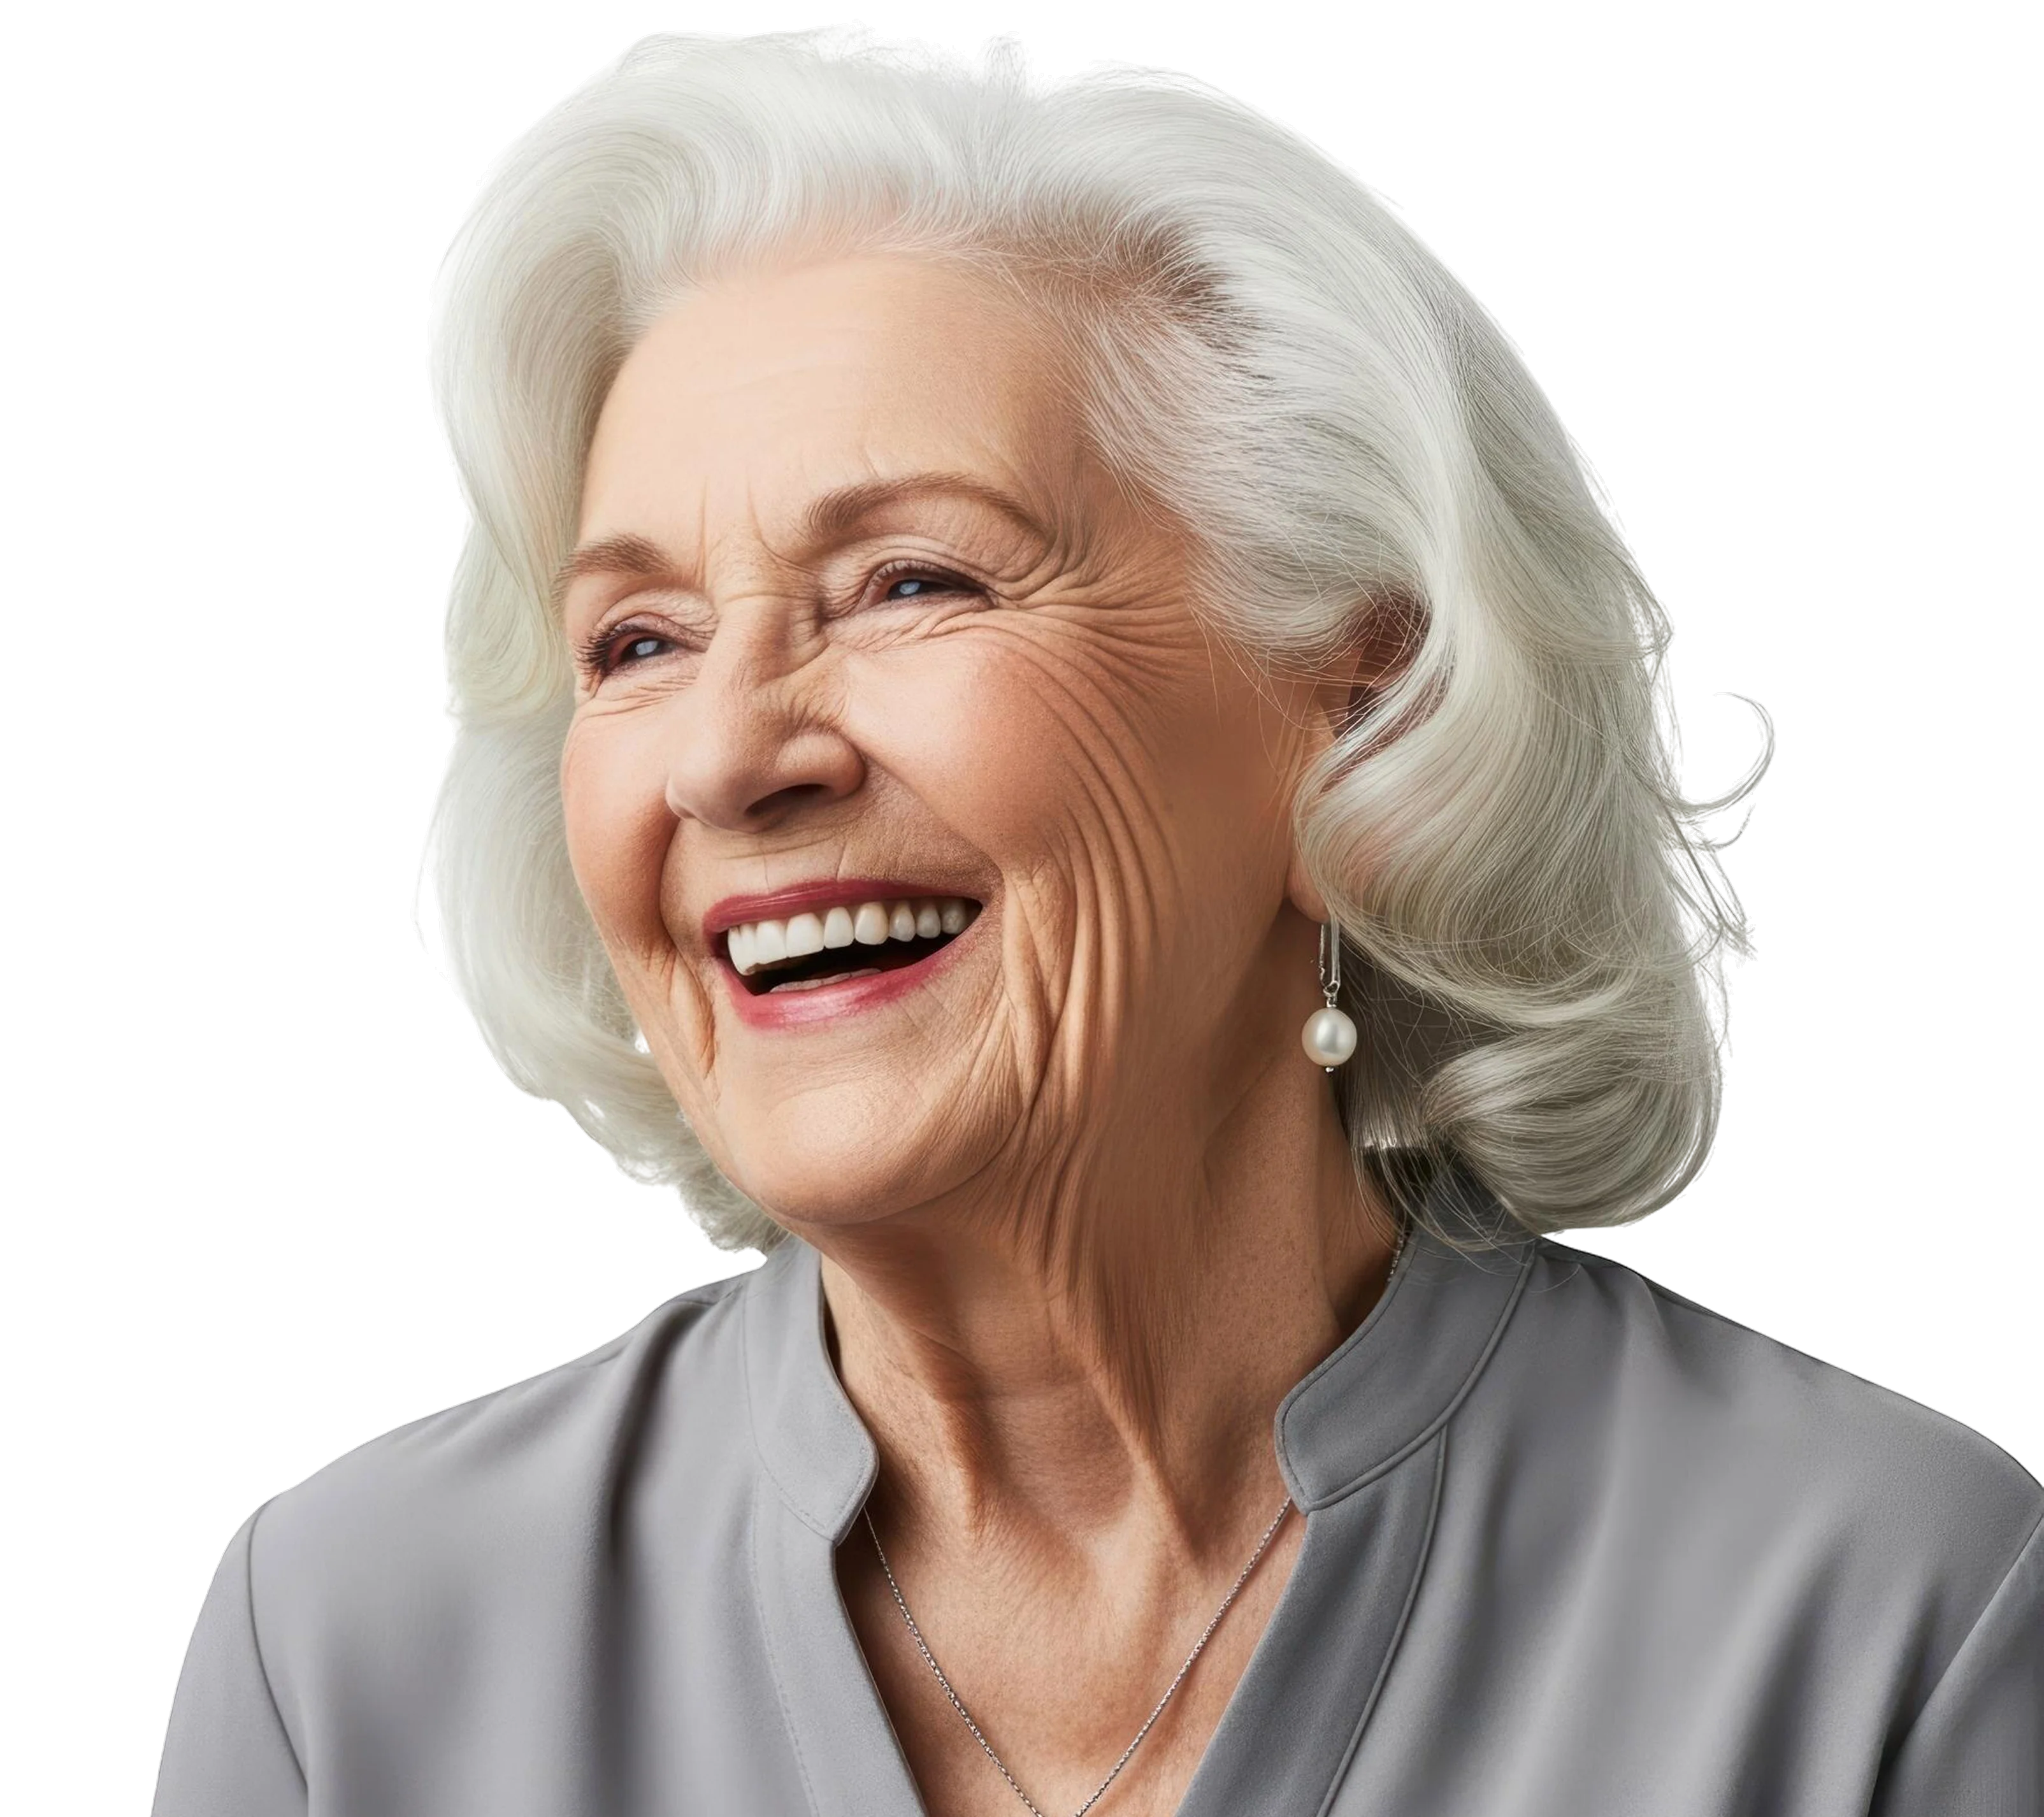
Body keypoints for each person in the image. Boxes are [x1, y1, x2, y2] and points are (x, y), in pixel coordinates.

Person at [153, 25, 2040, 1817]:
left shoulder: (1893, 1609)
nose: (726, 756)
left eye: (910, 580)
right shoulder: (348, 1651)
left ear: (1357, 726)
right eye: (638, 641)